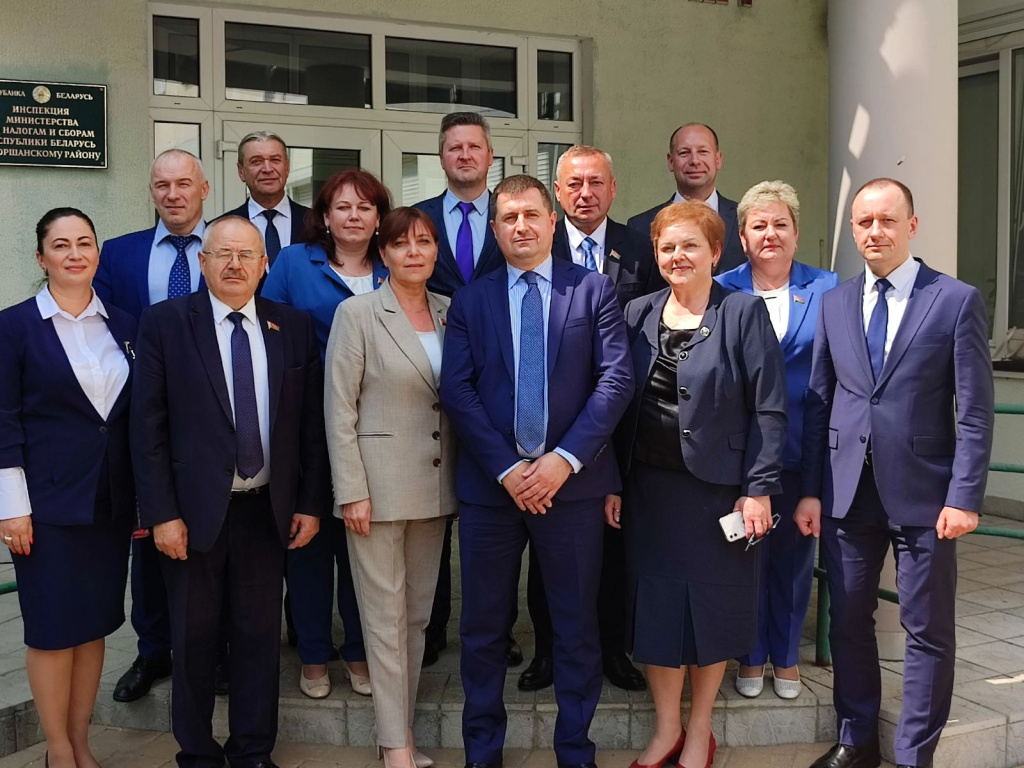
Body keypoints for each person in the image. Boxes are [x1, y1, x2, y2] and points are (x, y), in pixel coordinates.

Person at [797, 179, 994, 768]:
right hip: (846, 492)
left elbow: (975, 411)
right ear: (853, 230)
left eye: (887, 220)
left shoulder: (954, 300)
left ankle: (912, 755)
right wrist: (810, 490)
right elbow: (818, 403)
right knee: (847, 621)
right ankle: (856, 740)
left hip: (927, 495)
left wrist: (964, 496)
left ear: (912, 225)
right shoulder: (835, 303)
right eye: (864, 222)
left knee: (926, 629)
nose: (875, 232)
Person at [440, 175, 633, 768]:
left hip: (571, 489)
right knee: (483, 630)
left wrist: (562, 460)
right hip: (491, 491)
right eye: (508, 218)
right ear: (495, 230)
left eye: (530, 215)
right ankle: (482, 752)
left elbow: (616, 380)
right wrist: (507, 468)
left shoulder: (593, 290)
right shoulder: (472, 300)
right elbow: (458, 390)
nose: (520, 226)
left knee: (575, 628)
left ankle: (575, 750)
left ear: (553, 221)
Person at [131, 216, 330, 768]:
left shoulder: (292, 325)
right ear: (203, 262)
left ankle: (252, 751)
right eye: (223, 254)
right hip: (191, 516)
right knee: (193, 639)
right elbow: (146, 428)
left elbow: (309, 426)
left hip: (267, 512)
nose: (235, 264)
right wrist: (161, 514)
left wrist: (310, 503)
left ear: (265, 265)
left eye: (247, 255)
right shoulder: (166, 323)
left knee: (258, 639)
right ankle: (197, 753)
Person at [612, 201, 787, 768]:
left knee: (710, 613)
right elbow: (616, 405)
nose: (677, 256)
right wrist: (613, 483)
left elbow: (769, 408)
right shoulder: (636, 312)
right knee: (657, 614)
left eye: (690, 245)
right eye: (667, 247)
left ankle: (700, 730)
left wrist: (758, 488)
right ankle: (666, 730)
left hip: (718, 494)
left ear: (715, 251)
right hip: (650, 493)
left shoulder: (742, 312)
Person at [519, 144, 657, 694]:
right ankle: (548, 651)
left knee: (613, 542)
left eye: (596, 182)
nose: (585, 193)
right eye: (573, 184)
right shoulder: (533, 241)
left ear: (613, 189)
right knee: (547, 545)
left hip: (620, 421)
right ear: (557, 193)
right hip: (549, 429)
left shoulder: (640, 249)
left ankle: (613, 649)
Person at [0, 209, 135, 768]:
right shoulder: (13, 326)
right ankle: (58, 751)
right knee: (53, 629)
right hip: (45, 506)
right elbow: (3, 420)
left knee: (94, 624)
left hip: (109, 502)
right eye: (61, 245)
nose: (74, 253)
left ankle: (81, 742)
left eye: (84, 243)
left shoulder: (123, 322)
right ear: (41, 257)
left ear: (98, 254)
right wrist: (11, 507)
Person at [324, 207, 454, 768]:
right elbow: (339, 410)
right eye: (401, 244)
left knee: (417, 618)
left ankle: (400, 732)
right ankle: (396, 746)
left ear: (435, 251)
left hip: (436, 487)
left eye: (424, 242)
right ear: (384, 253)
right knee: (383, 620)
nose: (414, 252)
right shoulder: (356, 314)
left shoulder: (450, 311)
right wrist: (350, 489)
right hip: (375, 492)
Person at [262, 169, 392, 698]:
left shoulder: (394, 263)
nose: (353, 216)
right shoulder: (295, 262)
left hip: (379, 430)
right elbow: (268, 331)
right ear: (324, 216)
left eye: (364, 207)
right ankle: (314, 654)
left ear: (379, 217)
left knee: (364, 549)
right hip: (308, 428)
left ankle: (359, 651)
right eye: (342, 207)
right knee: (309, 544)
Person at [715, 181, 839, 700]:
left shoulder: (828, 288)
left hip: (801, 449)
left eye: (780, 224)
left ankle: (785, 658)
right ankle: (749, 655)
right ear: (742, 236)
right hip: (738, 453)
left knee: (792, 562)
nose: (771, 234)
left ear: (796, 233)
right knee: (745, 560)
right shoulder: (721, 288)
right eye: (759, 225)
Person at [94, 148, 209, 703]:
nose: (173, 194)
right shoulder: (119, 255)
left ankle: (214, 650)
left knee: (215, 535)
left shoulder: (228, 244)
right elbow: (103, 331)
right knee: (150, 538)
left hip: (218, 416)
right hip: (146, 416)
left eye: (184, 183)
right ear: (151, 191)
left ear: (204, 189)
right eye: (162, 185)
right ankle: (153, 649)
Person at [414, 111, 520, 669]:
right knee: (435, 512)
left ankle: (498, 631)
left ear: (489, 155)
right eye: (454, 148)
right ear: (441, 157)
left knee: (494, 518)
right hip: (434, 380)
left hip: (503, 384)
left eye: (474, 147)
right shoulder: (420, 220)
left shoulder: (513, 216)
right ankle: (430, 628)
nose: (464, 155)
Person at [627, 123, 745, 274]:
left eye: (703, 152)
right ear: (670, 161)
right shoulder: (640, 227)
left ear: (718, 159)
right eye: (684, 153)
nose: (695, 161)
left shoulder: (744, 219)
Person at [221, 130, 311, 268]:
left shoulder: (316, 222)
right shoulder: (222, 228)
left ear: (287, 167)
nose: (267, 169)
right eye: (256, 162)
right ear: (241, 171)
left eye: (275, 160)